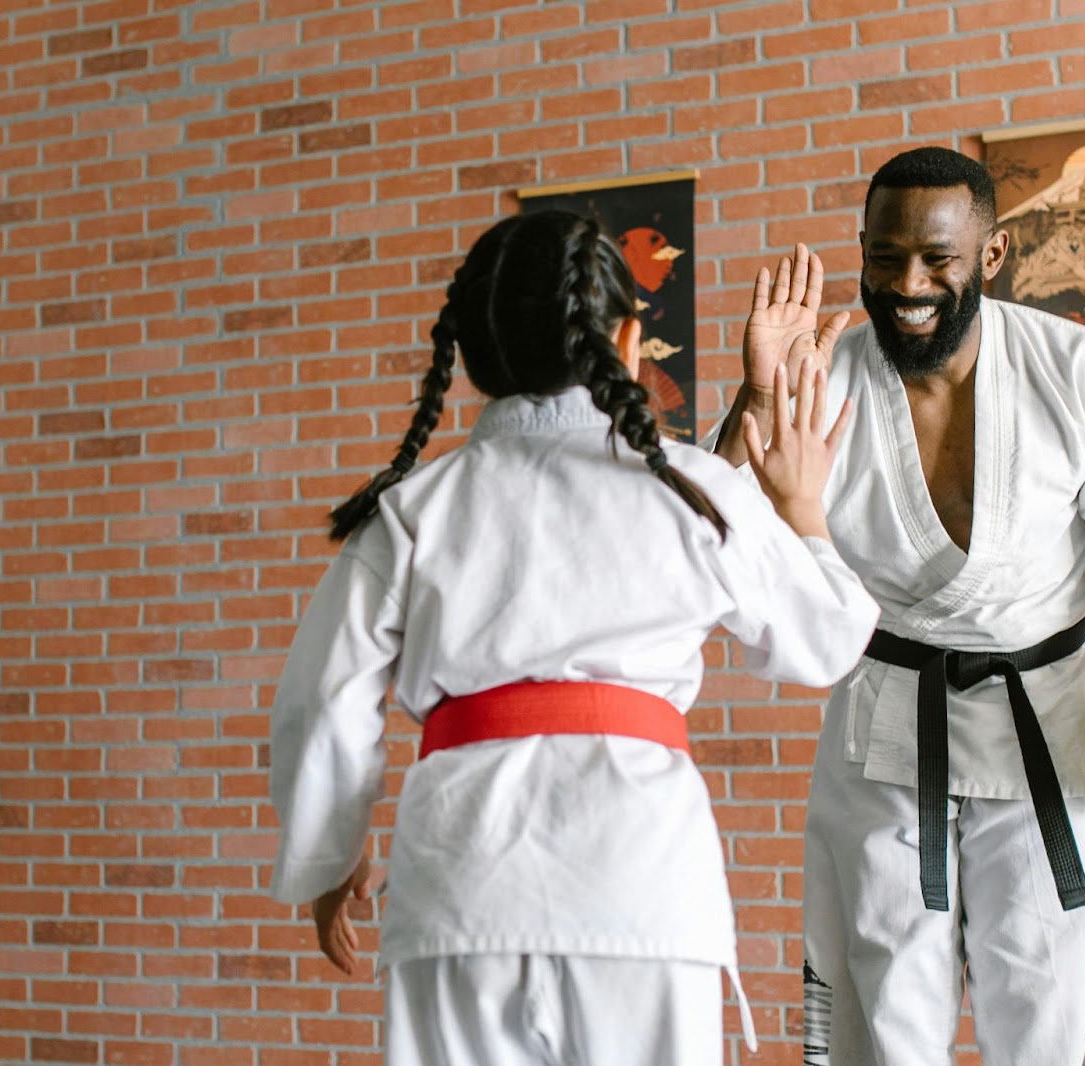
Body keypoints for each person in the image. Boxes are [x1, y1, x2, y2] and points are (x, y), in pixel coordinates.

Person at [265, 209, 881, 1066]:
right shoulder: (692, 490)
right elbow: (827, 642)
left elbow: (321, 705)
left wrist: (328, 863)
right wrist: (803, 505)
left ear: (473, 352)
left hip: (458, 885)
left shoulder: (411, 513)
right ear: (628, 338)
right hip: (639, 880)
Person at [709, 147, 1085, 1065]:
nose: (909, 283)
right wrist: (757, 392)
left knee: (1052, 1022)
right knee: (883, 1019)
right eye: (885, 257)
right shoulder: (818, 377)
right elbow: (721, 539)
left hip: (1052, 741)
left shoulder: (1084, 373)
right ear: (862, 251)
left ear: (989, 258)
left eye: (939, 260)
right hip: (884, 733)